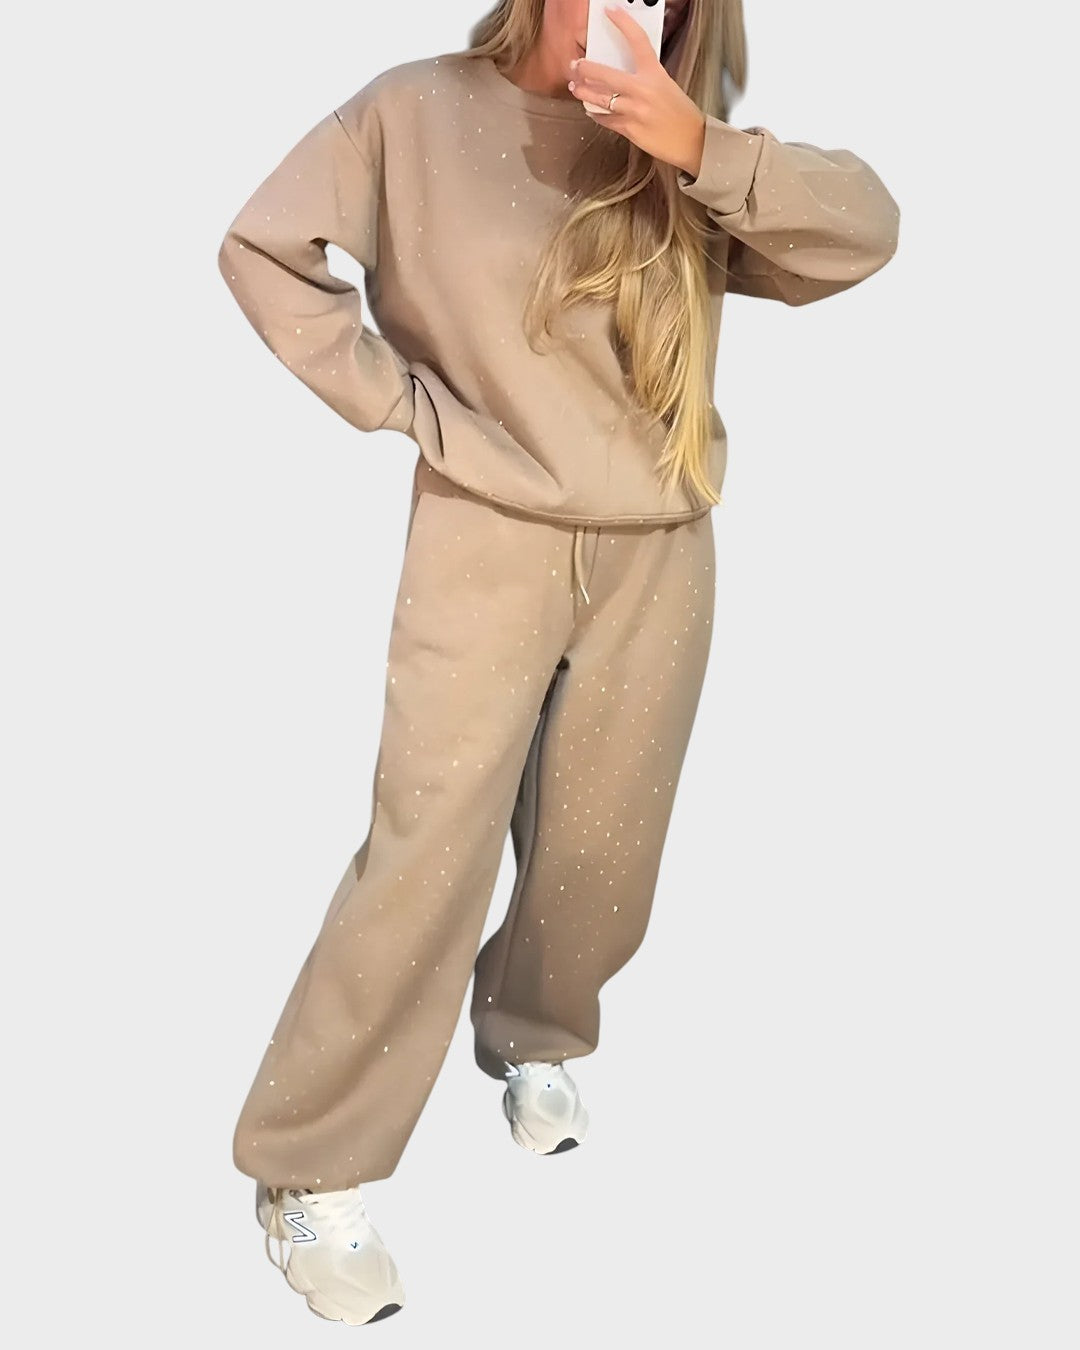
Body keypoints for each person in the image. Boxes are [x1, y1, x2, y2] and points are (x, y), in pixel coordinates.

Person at [216, 0, 899, 1324]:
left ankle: (532, 1035)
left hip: (662, 547)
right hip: (484, 536)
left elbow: (866, 232)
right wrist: (401, 404)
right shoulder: (414, 111)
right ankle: (311, 1166)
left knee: (604, 843)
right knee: (428, 850)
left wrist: (696, 145)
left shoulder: (681, 148)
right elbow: (262, 245)